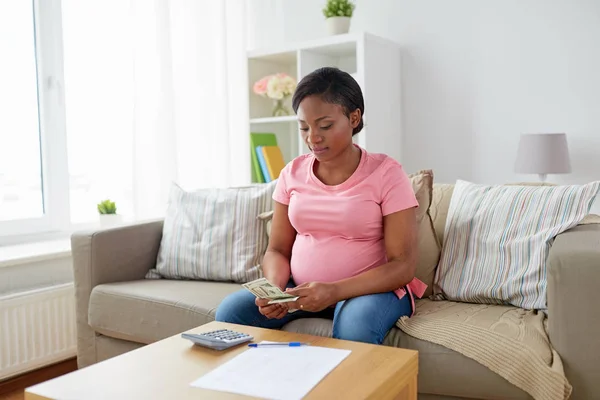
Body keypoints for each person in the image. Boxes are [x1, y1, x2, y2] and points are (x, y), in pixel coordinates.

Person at [215, 66, 426, 344]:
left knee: (356, 327)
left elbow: (403, 266)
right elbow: (277, 249)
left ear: (354, 117)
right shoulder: (292, 173)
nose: (312, 137)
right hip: (299, 290)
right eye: (304, 127)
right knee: (231, 311)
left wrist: (334, 290)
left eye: (325, 126)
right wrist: (275, 290)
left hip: (369, 291)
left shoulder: (387, 173)